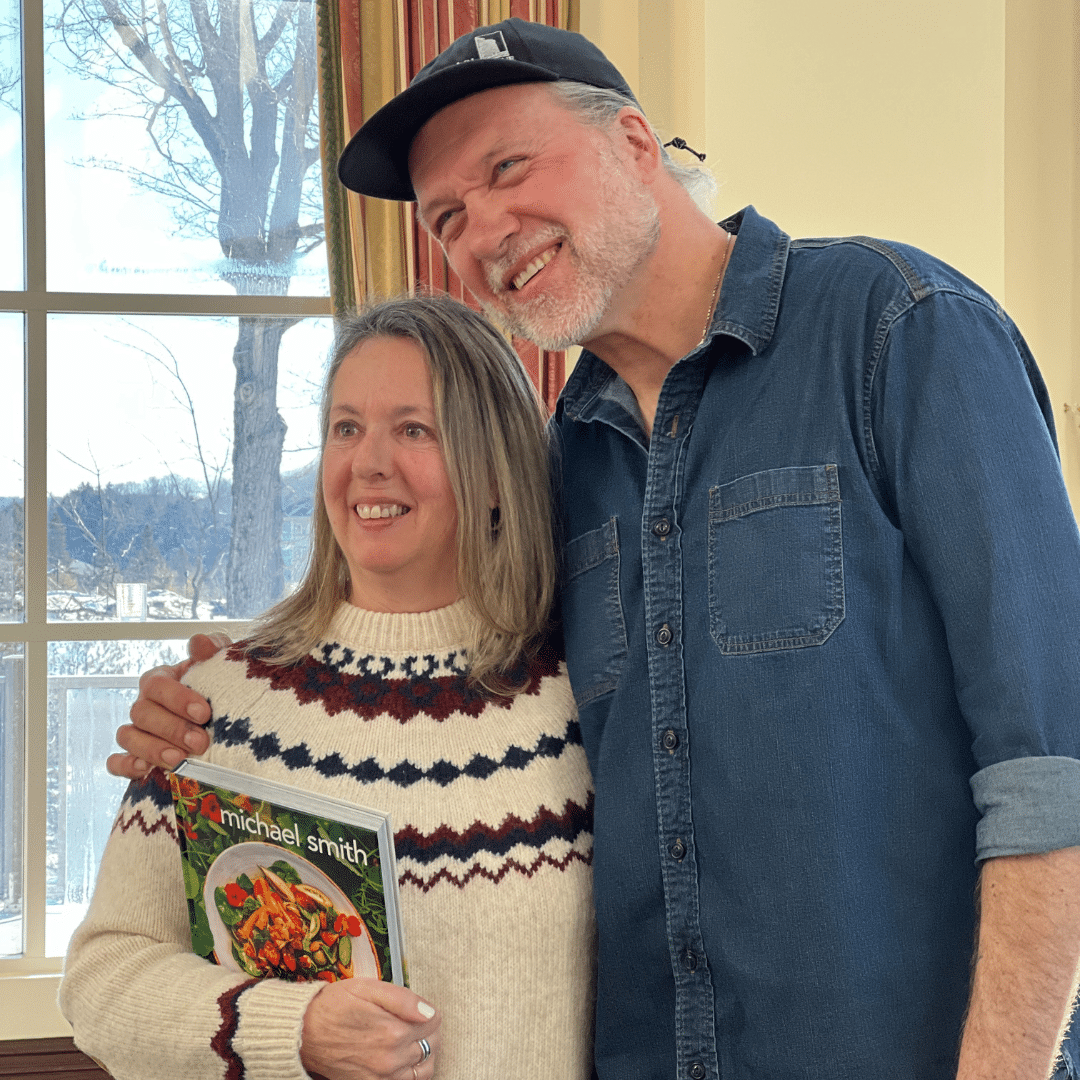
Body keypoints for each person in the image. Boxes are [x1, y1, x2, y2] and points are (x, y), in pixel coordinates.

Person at [110, 18, 1080, 1080]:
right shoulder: (560, 460)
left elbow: (1051, 771)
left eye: (508, 167)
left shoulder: (898, 330)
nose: (485, 231)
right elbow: (445, 665)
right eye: (447, 217)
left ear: (633, 141)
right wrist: (213, 704)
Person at [61, 293, 596, 1080]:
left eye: (414, 429)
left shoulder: (588, 704)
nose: (367, 462)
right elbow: (102, 979)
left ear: (495, 474)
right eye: (346, 428)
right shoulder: (213, 705)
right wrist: (291, 1029)